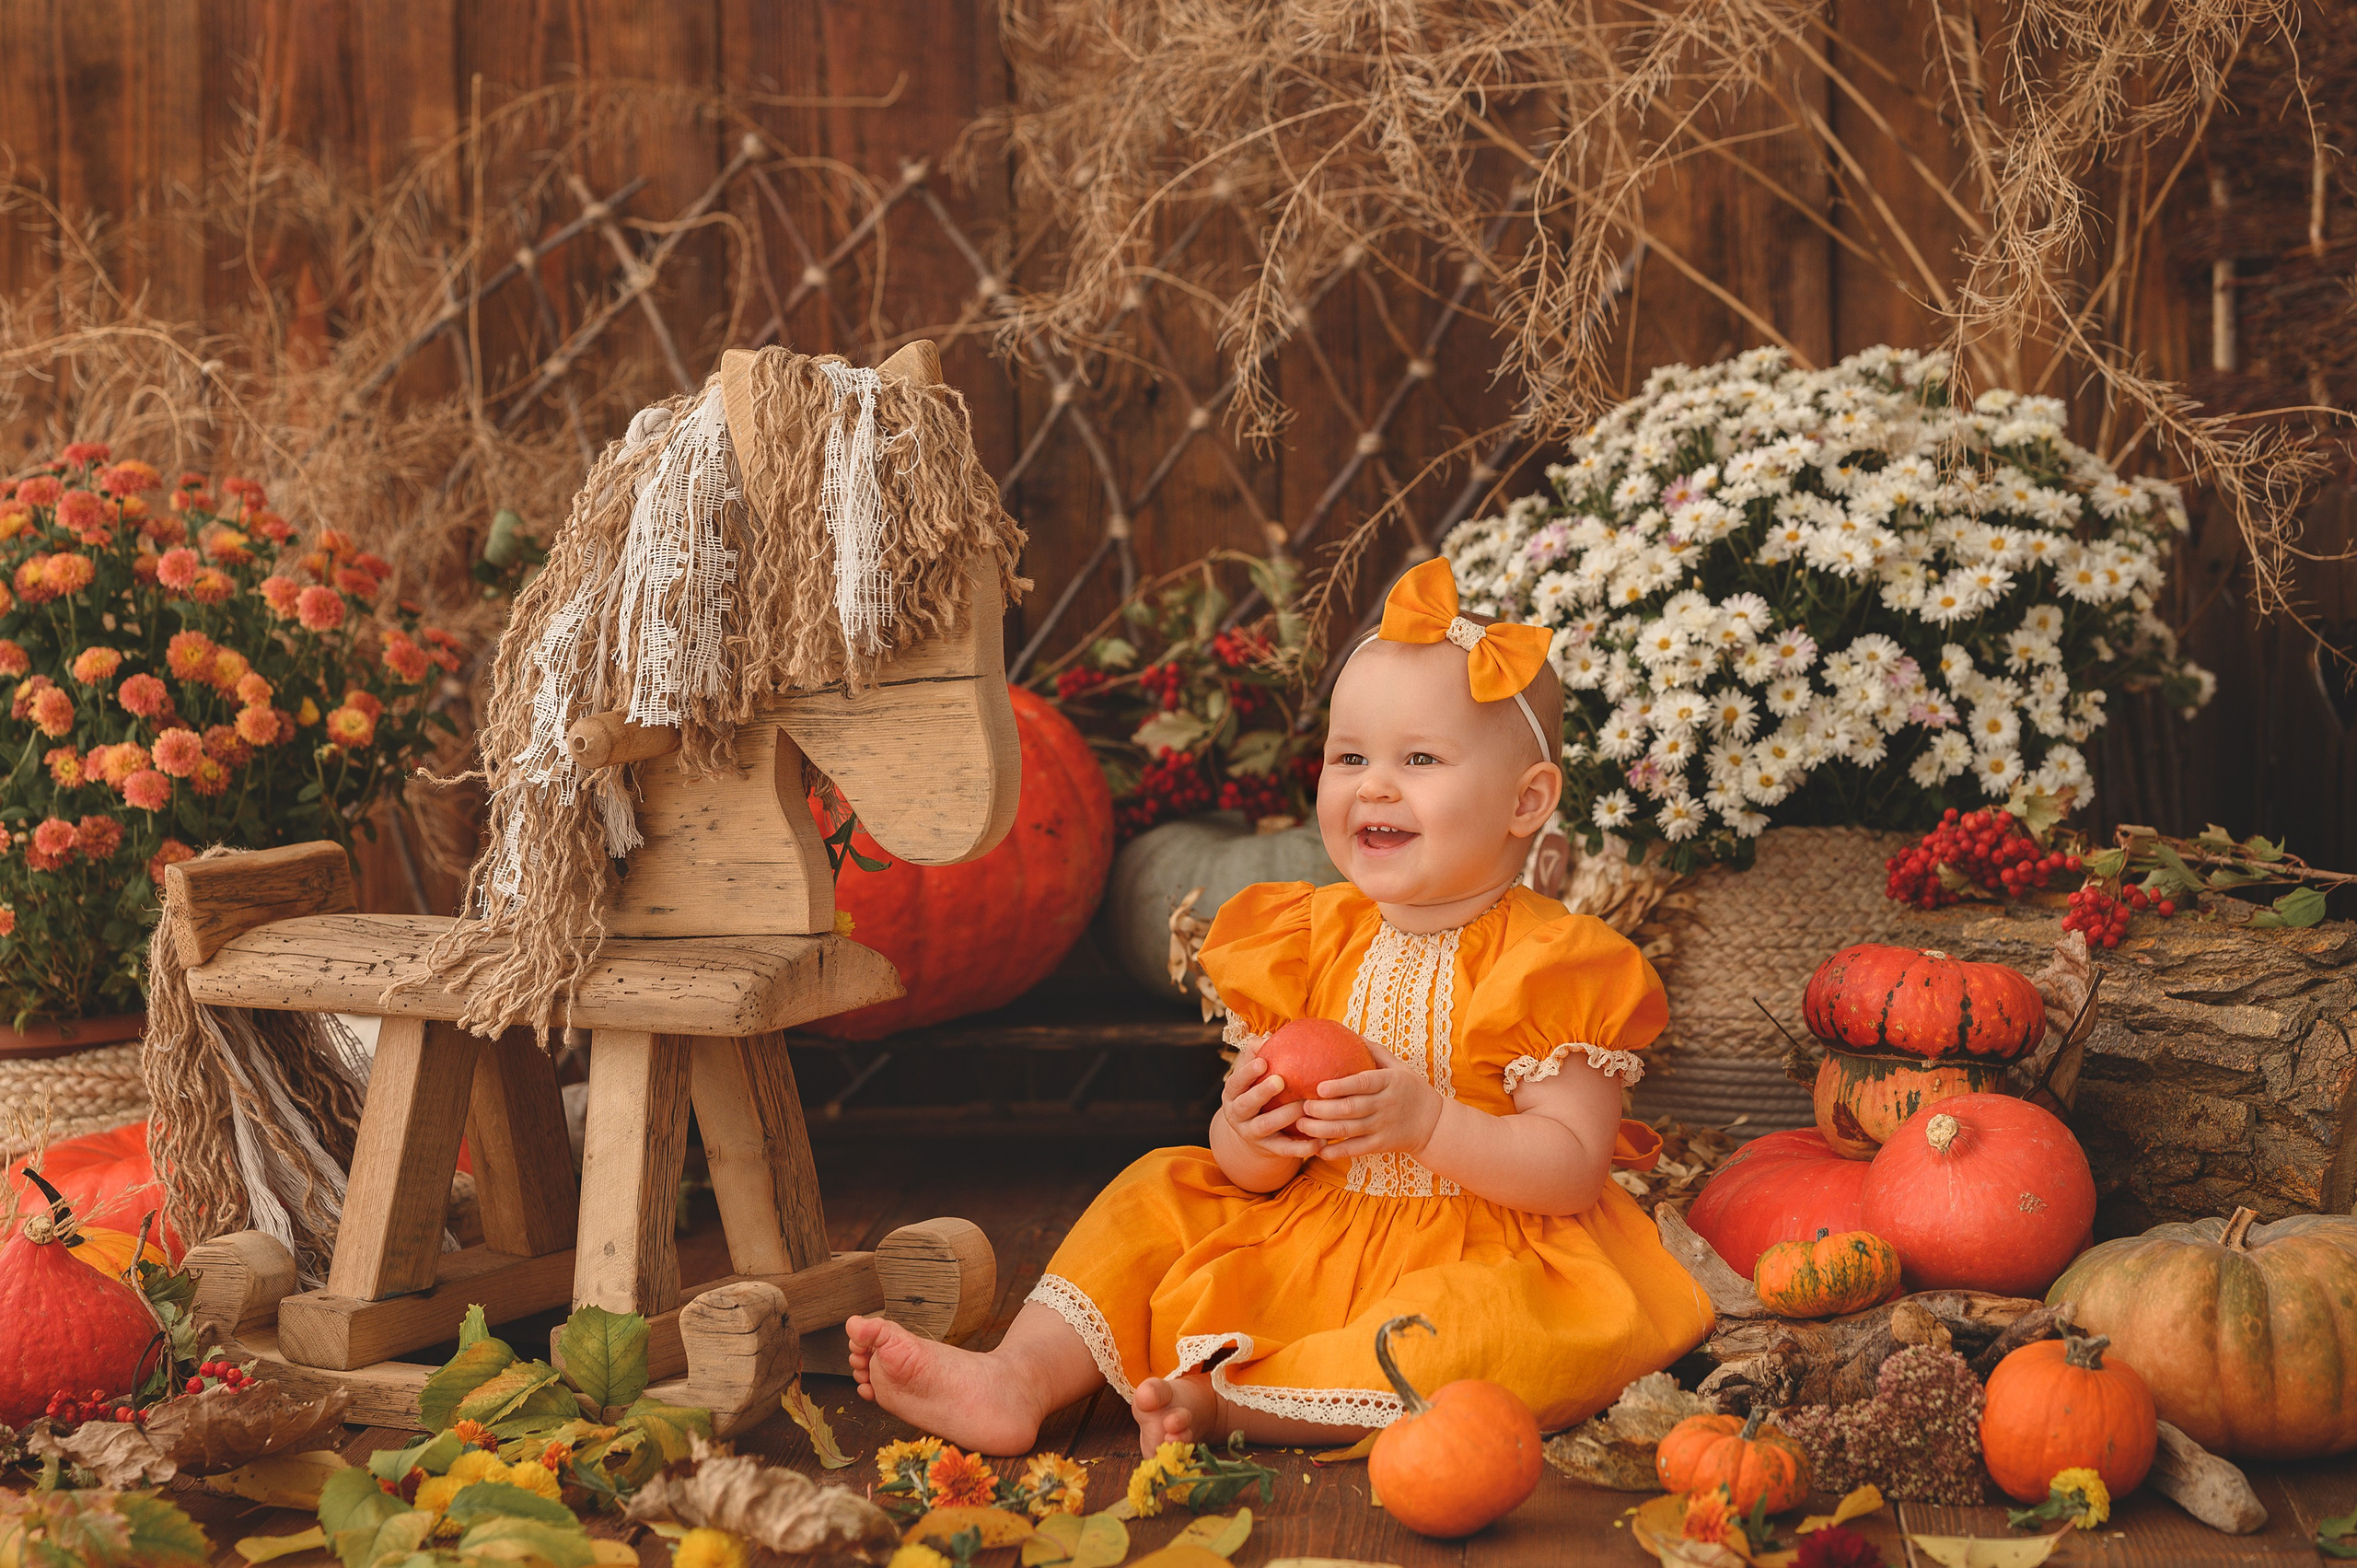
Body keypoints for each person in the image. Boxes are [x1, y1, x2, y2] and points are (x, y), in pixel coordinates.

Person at [845, 557, 1714, 1456]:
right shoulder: (1306, 938)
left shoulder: (1555, 963)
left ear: (1525, 800)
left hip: (1491, 1251)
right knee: (1158, 1189)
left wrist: (1427, 1121)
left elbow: (1572, 1168)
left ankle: (1227, 1403)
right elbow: (1252, 1170)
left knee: (1472, 1331)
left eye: (1419, 758)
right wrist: (1249, 1130)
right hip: (1318, 1227)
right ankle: (1017, 1374)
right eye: (1350, 756)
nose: (1373, 784)